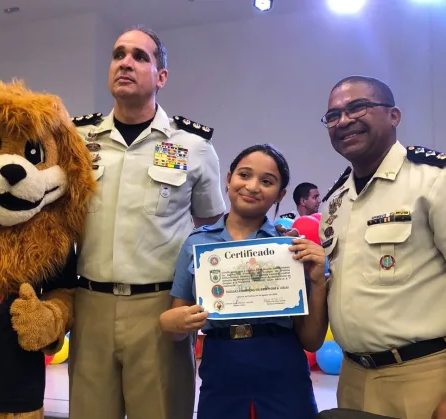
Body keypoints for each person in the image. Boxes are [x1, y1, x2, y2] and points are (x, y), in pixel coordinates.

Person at [68, 26, 226, 419]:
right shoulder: (77, 139)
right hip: (89, 306)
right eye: (118, 54)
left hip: (159, 311)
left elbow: (209, 227)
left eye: (140, 56)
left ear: (161, 76)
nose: (125, 62)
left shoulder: (192, 145)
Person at [160, 144, 328, 419]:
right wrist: (171, 323)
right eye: (244, 175)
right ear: (228, 179)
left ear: (280, 195)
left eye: (266, 181)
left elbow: (311, 341)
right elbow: (177, 324)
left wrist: (319, 282)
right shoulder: (196, 243)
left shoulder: (290, 248)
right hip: (221, 370)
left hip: (284, 371)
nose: (252, 186)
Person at [319, 75, 446, 419]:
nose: (343, 121)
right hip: (352, 378)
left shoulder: (434, 180)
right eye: (333, 116)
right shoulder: (333, 202)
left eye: (357, 107)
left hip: (423, 378)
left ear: (394, 116)